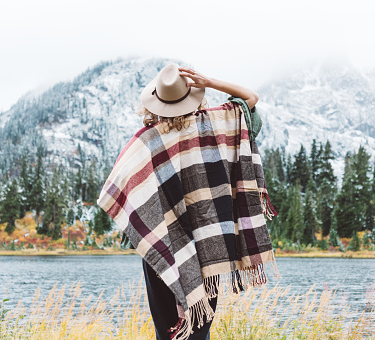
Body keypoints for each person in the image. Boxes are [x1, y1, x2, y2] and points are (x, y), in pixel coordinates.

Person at [97, 64, 279, 340]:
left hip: (165, 246)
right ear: (192, 96)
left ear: (156, 103)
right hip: (210, 245)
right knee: (199, 326)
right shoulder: (216, 123)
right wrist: (209, 80)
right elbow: (250, 97)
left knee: (167, 330)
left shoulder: (146, 140)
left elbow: (115, 191)